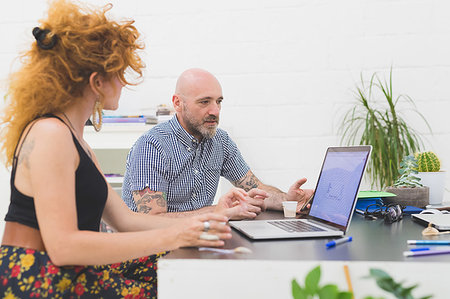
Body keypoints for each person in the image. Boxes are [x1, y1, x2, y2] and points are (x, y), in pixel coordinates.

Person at [0, 1, 252, 298]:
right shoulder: (50, 133)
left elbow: (125, 220)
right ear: (97, 82)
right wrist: (175, 235)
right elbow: (64, 246)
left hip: (67, 271)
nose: (123, 83)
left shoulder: (75, 140)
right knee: (180, 284)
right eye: (119, 74)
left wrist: (205, 218)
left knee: (187, 273)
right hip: (38, 277)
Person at [122, 68, 314, 218]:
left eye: (218, 101)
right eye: (204, 102)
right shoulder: (152, 146)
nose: (215, 110)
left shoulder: (220, 141)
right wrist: (219, 211)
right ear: (178, 103)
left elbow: (256, 188)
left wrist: (286, 200)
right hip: (150, 252)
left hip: (195, 239)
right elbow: (153, 220)